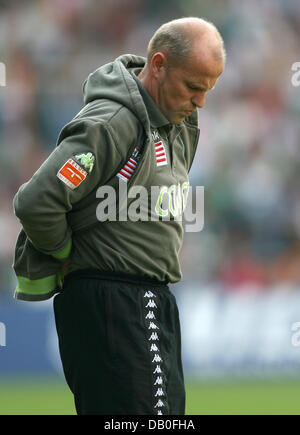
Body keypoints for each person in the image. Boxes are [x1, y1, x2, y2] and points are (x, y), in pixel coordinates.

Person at [13, 17, 225, 415]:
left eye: (209, 89)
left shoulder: (174, 122)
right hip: (116, 300)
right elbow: (37, 201)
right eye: (194, 87)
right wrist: (63, 253)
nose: (200, 102)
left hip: (145, 299)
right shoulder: (112, 123)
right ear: (158, 65)